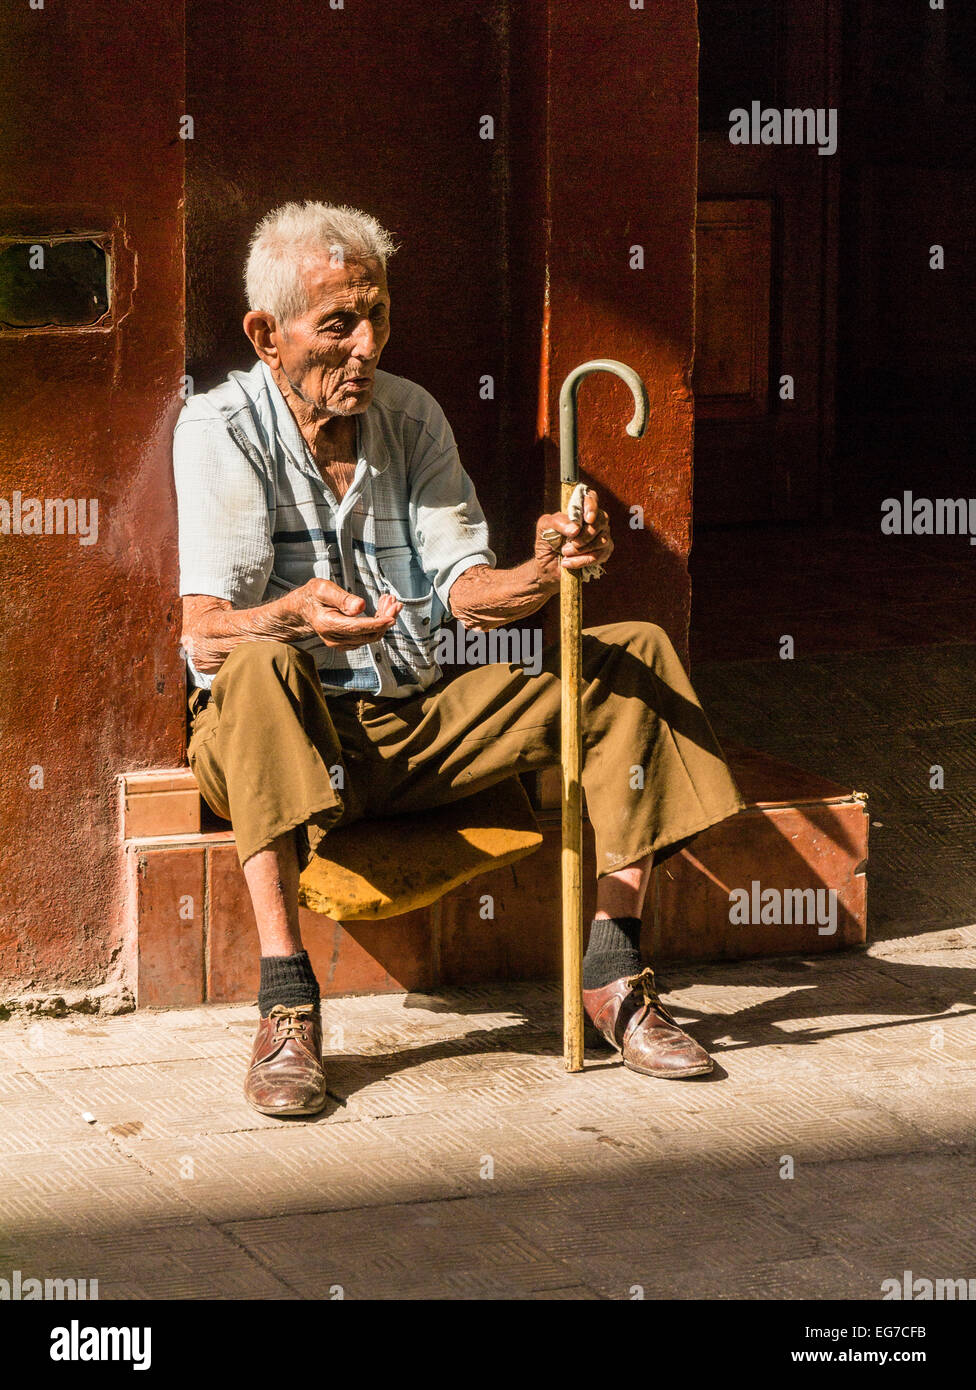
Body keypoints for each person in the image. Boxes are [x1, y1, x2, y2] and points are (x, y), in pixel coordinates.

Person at [173, 201, 744, 1117]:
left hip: (422, 719)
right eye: (337, 326)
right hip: (291, 738)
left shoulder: (412, 416)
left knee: (631, 656)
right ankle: (287, 1004)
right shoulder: (220, 429)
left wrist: (544, 570)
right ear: (265, 335)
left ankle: (613, 968)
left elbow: (465, 594)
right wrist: (293, 617)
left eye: (378, 318)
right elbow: (204, 633)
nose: (367, 345)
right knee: (254, 665)